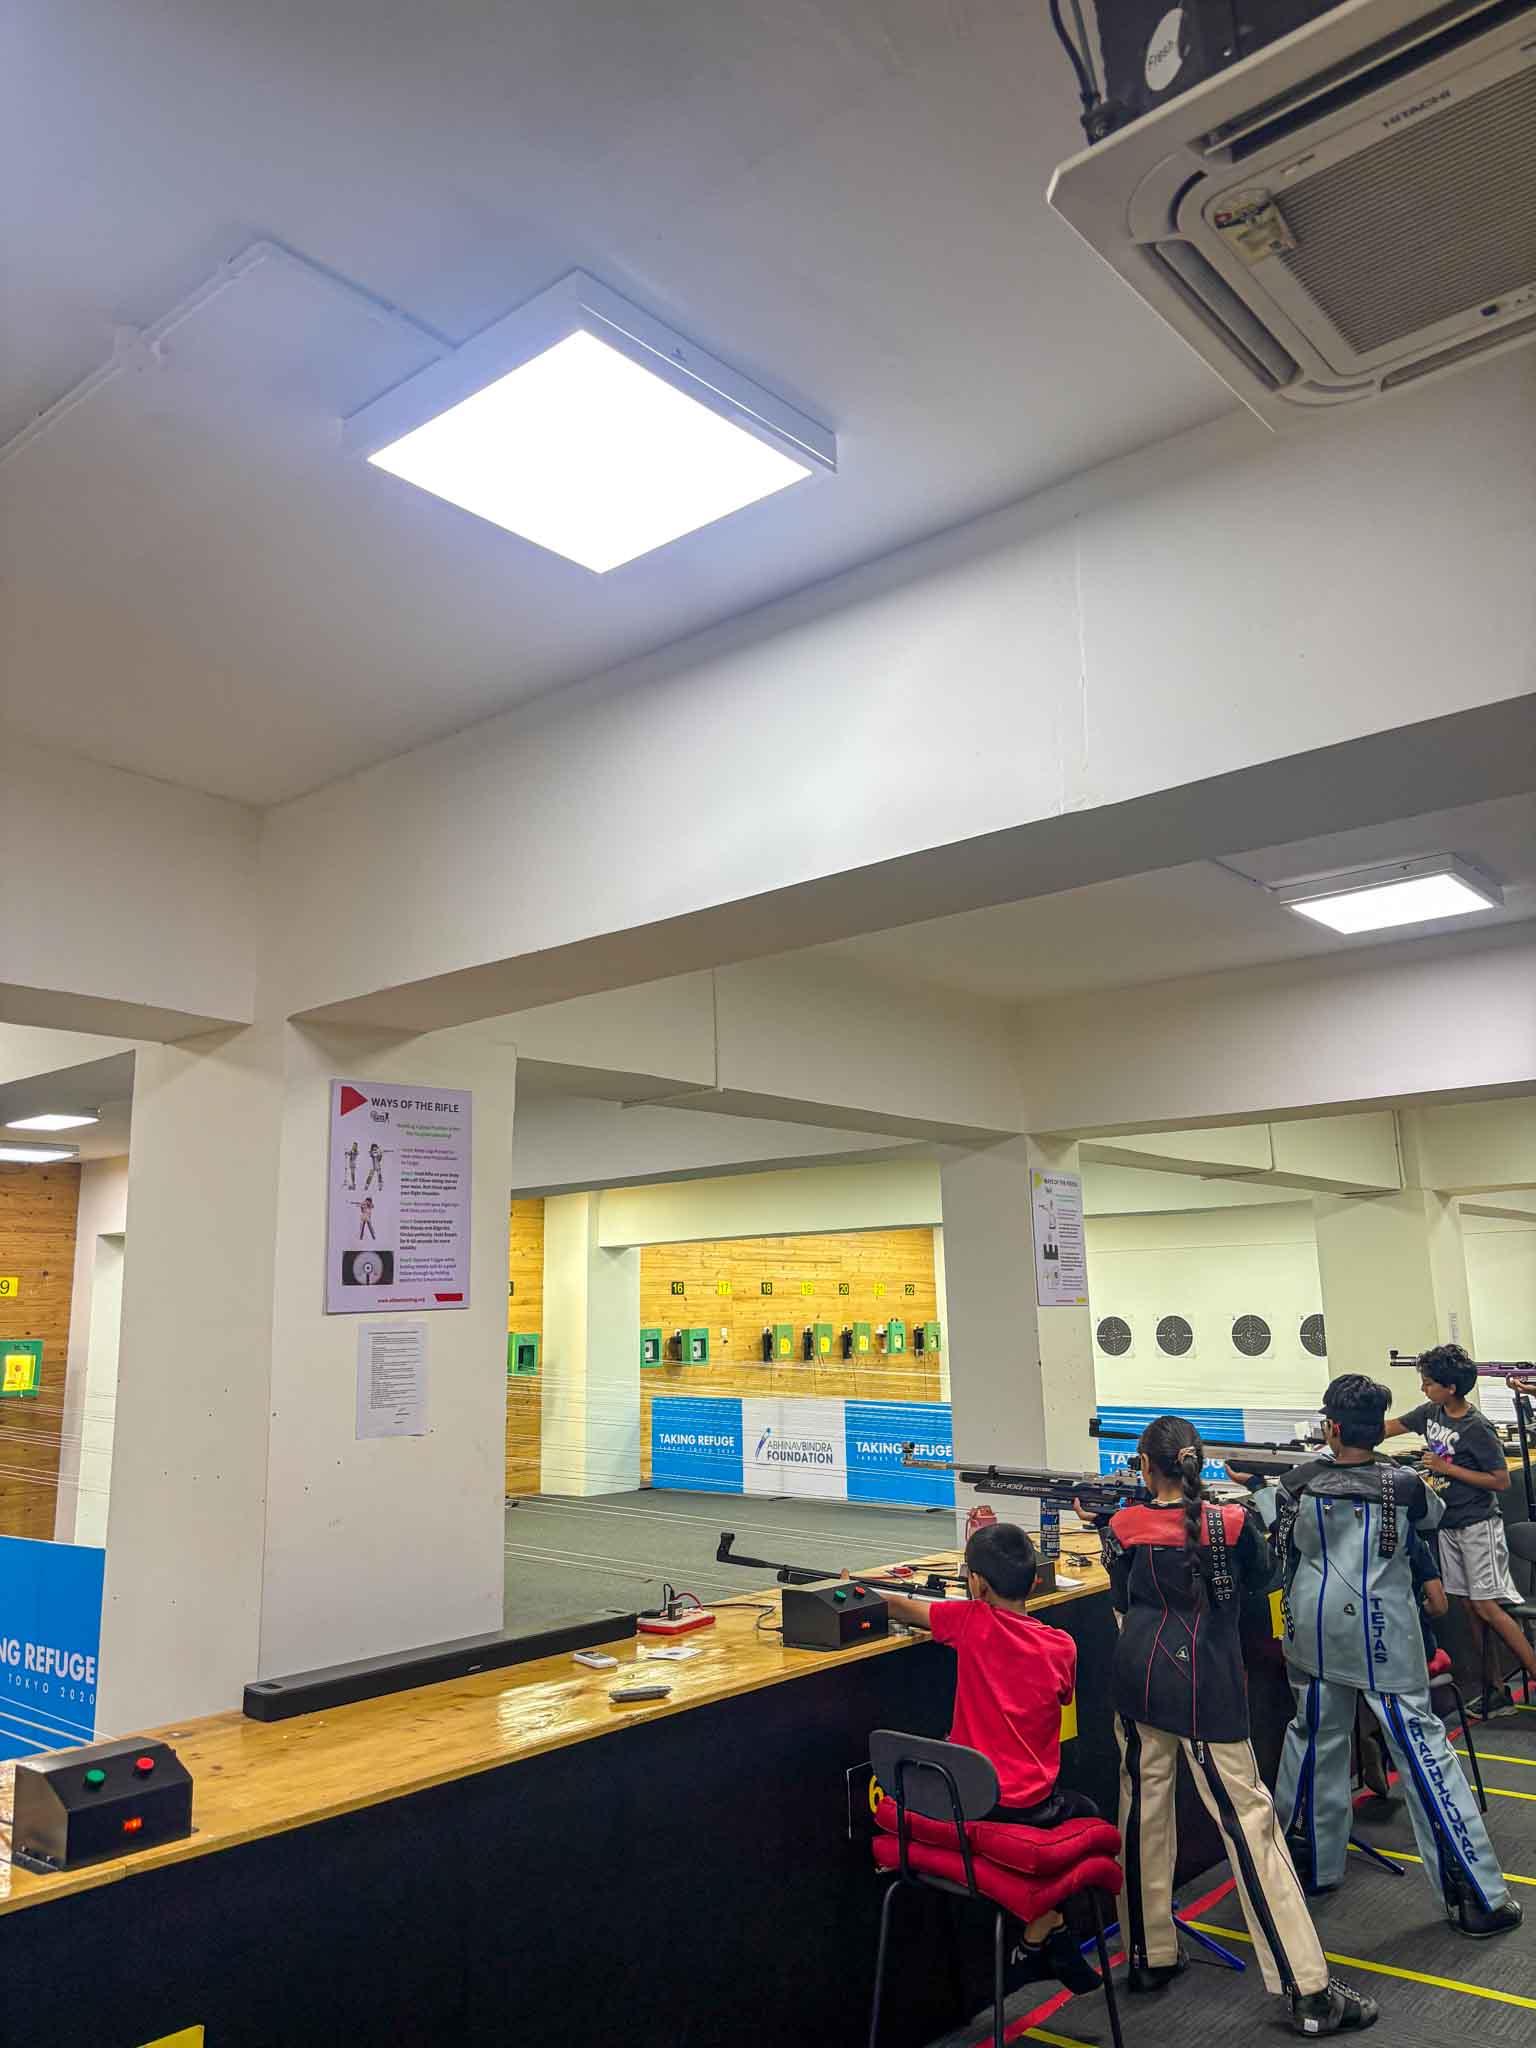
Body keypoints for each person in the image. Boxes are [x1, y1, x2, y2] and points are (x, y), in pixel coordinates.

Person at [1099, 1414, 1378, 2036]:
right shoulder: (1228, 1524)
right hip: (1208, 1689)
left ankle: (1148, 1955)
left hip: (1138, 1681)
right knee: (1251, 1828)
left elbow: (1123, 1601)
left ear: (1147, 1468)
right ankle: (1306, 1988)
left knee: (1142, 1814)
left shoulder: (1121, 1527)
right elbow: (1265, 1583)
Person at [1263, 1374, 1518, 1936]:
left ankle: (1309, 1871)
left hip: (1314, 1632)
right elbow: (1427, 1521)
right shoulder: (1404, 1484)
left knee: (1313, 1745)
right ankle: (1475, 1896)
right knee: (1424, 1757)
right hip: (1383, 1634)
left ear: (1330, 1426)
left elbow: (1270, 1532)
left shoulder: (1298, 1483)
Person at [878, 1521, 1099, 1992]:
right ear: (1035, 1581)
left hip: (972, 1803)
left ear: (974, 1583)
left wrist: (858, 1590)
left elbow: (901, 1607)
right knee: (1086, 1810)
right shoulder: (1062, 1646)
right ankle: (1047, 1934)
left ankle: (1044, 1936)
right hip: (1033, 1806)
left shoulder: (969, 1622)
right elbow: (1060, 1698)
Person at [1384, 1343, 1536, 1710]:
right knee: (1470, 1607)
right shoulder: (1431, 1412)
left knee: (1487, 1607)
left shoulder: (1476, 1427)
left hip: (1478, 1524)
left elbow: (1500, 1481)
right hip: (1449, 1524)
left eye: (1428, 1383)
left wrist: (1446, 1468)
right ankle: (1495, 1690)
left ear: (1450, 1387)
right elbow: (1390, 1427)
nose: (1423, 1388)